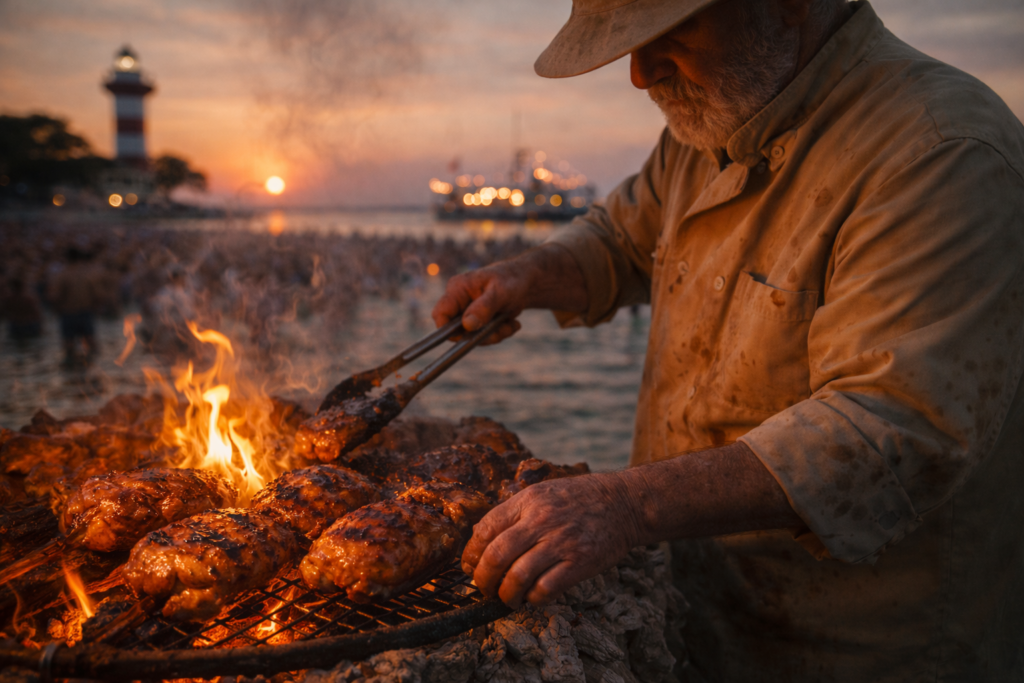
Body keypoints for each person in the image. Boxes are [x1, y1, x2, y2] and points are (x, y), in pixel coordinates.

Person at [432, 0, 1024, 680]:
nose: (639, 72)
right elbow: (620, 239)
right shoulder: (709, 126)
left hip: (860, 652)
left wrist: (627, 503)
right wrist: (529, 274)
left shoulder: (940, 150)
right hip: (701, 616)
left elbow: (887, 428)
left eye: (669, 34)